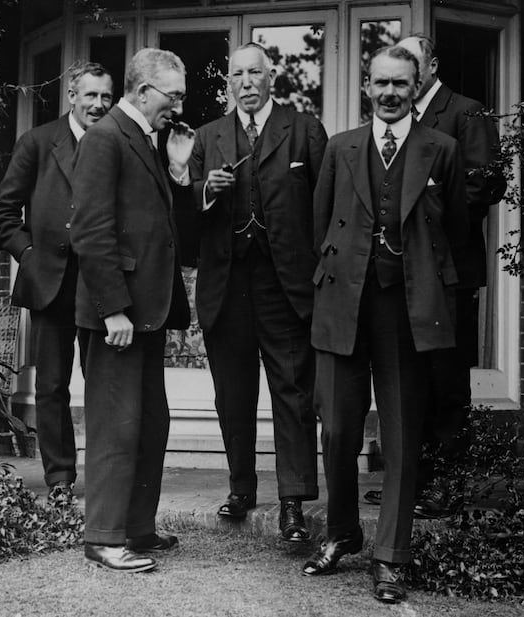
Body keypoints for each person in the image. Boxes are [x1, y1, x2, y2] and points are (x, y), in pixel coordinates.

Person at [303, 45, 468, 603]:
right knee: (339, 429)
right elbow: (318, 225)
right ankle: (343, 531)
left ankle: (391, 556)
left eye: (401, 83)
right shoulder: (340, 148)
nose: (391, 93)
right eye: (381, 84)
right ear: (367, 86)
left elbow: (458, 235)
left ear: (417, 85)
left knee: (400, 436)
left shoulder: (441, 149)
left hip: (408, 310)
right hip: (343, 304)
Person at [183, 43, 327, 542]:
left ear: (272, 78)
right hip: (227, 284)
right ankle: (241, 487)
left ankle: (292, 502)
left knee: (291, 390)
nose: (246, 82)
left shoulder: (304, 129)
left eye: (255, 73)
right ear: (229, 83)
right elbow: (186, 208)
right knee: (233, 394)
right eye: (237, 75)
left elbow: (324, 206)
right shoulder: (208, 136)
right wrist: (208, 191)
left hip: (284, 284)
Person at [363, 34, 507, 517]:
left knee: (446, 380)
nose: (403, 74)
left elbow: (485, 184)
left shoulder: (466, 112)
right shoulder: (397, 118)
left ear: (431, 66)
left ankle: (447, 485)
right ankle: (411, 483)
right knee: (408, 378)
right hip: (400, 274)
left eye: (412, 65)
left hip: (447, 272)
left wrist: (424, 213)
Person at [70, 48, 192, 572]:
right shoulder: (106, 138)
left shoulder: (143, 138)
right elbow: (91, 230)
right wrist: (113, 308)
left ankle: (136, 529)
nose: (179, 107)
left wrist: (180, 172)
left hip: (145, 313)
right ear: (143, 91)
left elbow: (161, 227)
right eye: (174, 96)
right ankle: (102, 536)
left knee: (149, 423)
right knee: (117, 425)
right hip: (118, 315)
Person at [0, 61, 113, 504]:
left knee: (103, 384)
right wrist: (30, 255)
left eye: (106, 97)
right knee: (51, 385)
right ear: (72, 97)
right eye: (91, 95)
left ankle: (105, 478)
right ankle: (60, 479)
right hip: (51, 285)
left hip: (102, 285)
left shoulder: (117, 143)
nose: (98, 105)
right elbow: (4, 215)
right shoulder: (38, 143)